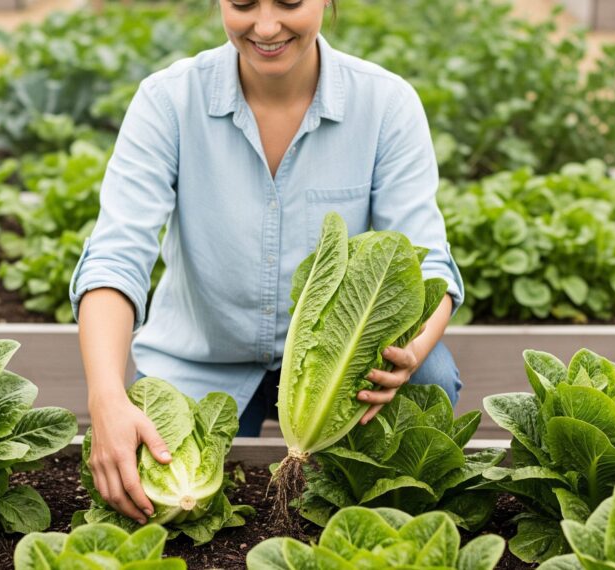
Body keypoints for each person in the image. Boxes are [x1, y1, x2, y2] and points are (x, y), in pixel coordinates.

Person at [69, 0, 465, 525]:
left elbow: (430, 265)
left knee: (429, 375)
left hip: (340, 368)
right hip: (202, 357)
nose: (266, 25)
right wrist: (105, 398)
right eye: (243, 4)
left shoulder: (386, 103)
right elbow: (116, 257)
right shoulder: (169, 101)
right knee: (163, 500)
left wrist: (409, 353)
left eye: (289, 2)